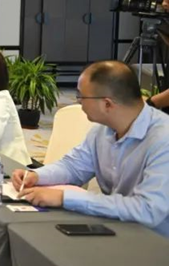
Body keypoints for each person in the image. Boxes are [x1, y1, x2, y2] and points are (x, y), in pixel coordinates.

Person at [13, 61, 169, 238]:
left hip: (156, 242)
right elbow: (73, 167)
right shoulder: (101, 131)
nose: (78, 102)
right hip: (116, 229)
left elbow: (148, 210)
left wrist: (64, 198)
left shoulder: (163, 139)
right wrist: (37, 176)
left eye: (82, 96)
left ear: (107, 104)